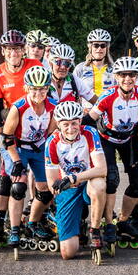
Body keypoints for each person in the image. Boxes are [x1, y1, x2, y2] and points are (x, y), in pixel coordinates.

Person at [84, 56, 138, 247]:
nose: (127, 79)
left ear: (136, 76)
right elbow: (88, 120)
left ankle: (123, 221)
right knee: (112, 178)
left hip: (128, 139)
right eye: (123, 75)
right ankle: (106, 224)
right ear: (116, 77)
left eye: (131, 75)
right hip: (106, 139)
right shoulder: (107, 96)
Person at [0, 30, 43, 247]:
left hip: (34, 129)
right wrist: (2, 139)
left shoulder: (35, 64)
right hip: (10, 129)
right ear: (3, 52)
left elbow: (46, 94)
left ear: (23, 50)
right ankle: (4, 224)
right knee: (12, 180)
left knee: (42, 181)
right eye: (9, 49)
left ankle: (36, 219)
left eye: (17, 49)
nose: (13, 53)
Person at [0, 66, 57, 251]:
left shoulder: (53, 108)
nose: (38, 93)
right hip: (17, 148)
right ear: (26, 88)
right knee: (19, 186)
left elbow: (50, 135)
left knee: (47, 189)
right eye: (34, 88)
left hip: (39, 148)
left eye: (42, 89)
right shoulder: (19, 108)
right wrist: (16, 162)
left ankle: (33, 222)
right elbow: (7, 138)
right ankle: (15, 229)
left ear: (48, 88)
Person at [46, 101, 108, 261]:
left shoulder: (90, 133)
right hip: (68, 190)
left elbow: (102, 169)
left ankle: (95, 230)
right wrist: (66, 183)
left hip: (87, 183)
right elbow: (52, 184)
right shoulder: (52, 142)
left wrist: (74, 177)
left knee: (100, 184)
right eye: (65, 124)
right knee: (68, 253)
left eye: (74, 123)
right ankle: (75, 223)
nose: (71, 128)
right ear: (58, 124)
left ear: (80, 121)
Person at [74, 29, 115, 109]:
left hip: (108, 112)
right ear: (90, 47)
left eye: (103, 46)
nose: (99, 49)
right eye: (96, 45)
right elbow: (74, 93)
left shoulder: (114, 69)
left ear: (107, 48)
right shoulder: (80, 68)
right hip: (87, 113)